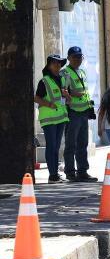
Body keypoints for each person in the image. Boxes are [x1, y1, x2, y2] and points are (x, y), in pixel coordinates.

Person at [60, 46, 97, 182]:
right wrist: (72, 94)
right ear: (69, 58)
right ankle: (70, 172)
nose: (77, 59)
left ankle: (82, 171)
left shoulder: (82, 72)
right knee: (71, 144)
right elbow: (62, 90)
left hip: (83, 112)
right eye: (74, 57)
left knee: (83, 143)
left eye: (79, 57)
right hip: (73, 112)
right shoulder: (65, 73)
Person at [34, 55, 71, 183]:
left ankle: (55, 174)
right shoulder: (44, 81)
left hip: (60, 118)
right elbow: (36, 98)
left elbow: (66, 100)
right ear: (49, 65)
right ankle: (52, 175)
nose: (58, 66)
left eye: (60, 64)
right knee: (51, 146)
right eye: (55, 64)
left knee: (56, 147)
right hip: (49, 119)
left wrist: (67, 96)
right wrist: (49, 104)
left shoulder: (61, 80)